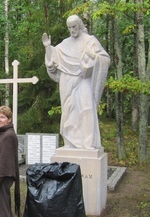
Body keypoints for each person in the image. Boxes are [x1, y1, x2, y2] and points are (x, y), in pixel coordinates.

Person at [42, 15, 110, 149]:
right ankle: (71, 142)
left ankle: (88, 143)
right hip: (67, 80)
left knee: (87, 108)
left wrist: (93, 56)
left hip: (84, 79)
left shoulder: (90, 41)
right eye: (69, 28)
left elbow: (105, 59)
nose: (72, 30)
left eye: (74, 27)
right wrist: (48, 48)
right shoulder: (64, 44)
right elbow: (53, 62)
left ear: (79, 25)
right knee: (69, 110)